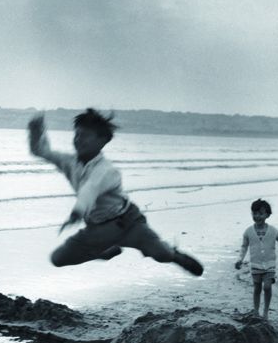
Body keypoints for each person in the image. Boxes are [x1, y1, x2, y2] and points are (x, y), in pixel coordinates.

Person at [28, 109, 204, 275]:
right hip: (97, 229)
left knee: (161, 254)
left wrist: (77, 212)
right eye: (77, 134)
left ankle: (175, 255)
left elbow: (90, 189)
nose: (79, 140)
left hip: (128, 223)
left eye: (86, 136)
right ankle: (104, 251)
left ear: (102, 140)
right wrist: (36, 131)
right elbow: (41, 151)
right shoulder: (69, 162)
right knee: (58, 259)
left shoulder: (107, 170)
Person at [235, 198, 278, 318]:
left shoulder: (273, 231)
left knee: (267, 287)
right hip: (255, 265)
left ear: (267, 215)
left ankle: (265, 312)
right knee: (257, 288)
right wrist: (239, 259)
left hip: (269, 265)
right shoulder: (248, 232)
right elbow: (244, 247)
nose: (257, 216)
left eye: (260, 213)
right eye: (254, 213)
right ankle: (256, 311)